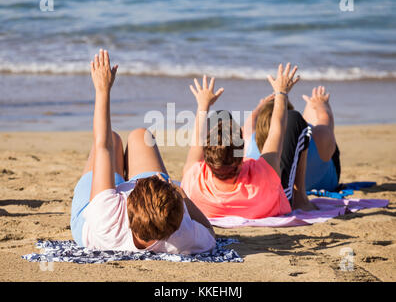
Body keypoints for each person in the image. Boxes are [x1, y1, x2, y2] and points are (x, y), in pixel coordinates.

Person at [70, 49, 215, 254]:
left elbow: (103, 146)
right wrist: (184, 198)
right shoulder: (182, 237)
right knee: (140, 135)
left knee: (112, 138)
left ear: (129, 199)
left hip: (94, 222)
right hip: (151, 215)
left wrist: (102, 90)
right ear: (177, 219)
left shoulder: (104, 215)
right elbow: (209, 232)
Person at [181, 63, 316, 220]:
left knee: (220, 115)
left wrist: (203, 104)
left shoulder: (194, 176)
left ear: (206, 159)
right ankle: (301, 198)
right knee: (294, 119)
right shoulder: (265, 173)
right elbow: (277, 129)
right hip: (271, 203)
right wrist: (282, 93)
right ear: (242, 157)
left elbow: (197, 141)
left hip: (213, 206)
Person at [245, 86, 341, 192]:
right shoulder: (320, 136)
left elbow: (250, 121)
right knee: (312, 111)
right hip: (323, 184)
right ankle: (306, 111)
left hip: (280, 187)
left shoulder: (249, 141)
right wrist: (321, 104)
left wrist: (260, 107)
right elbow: (325, 117)